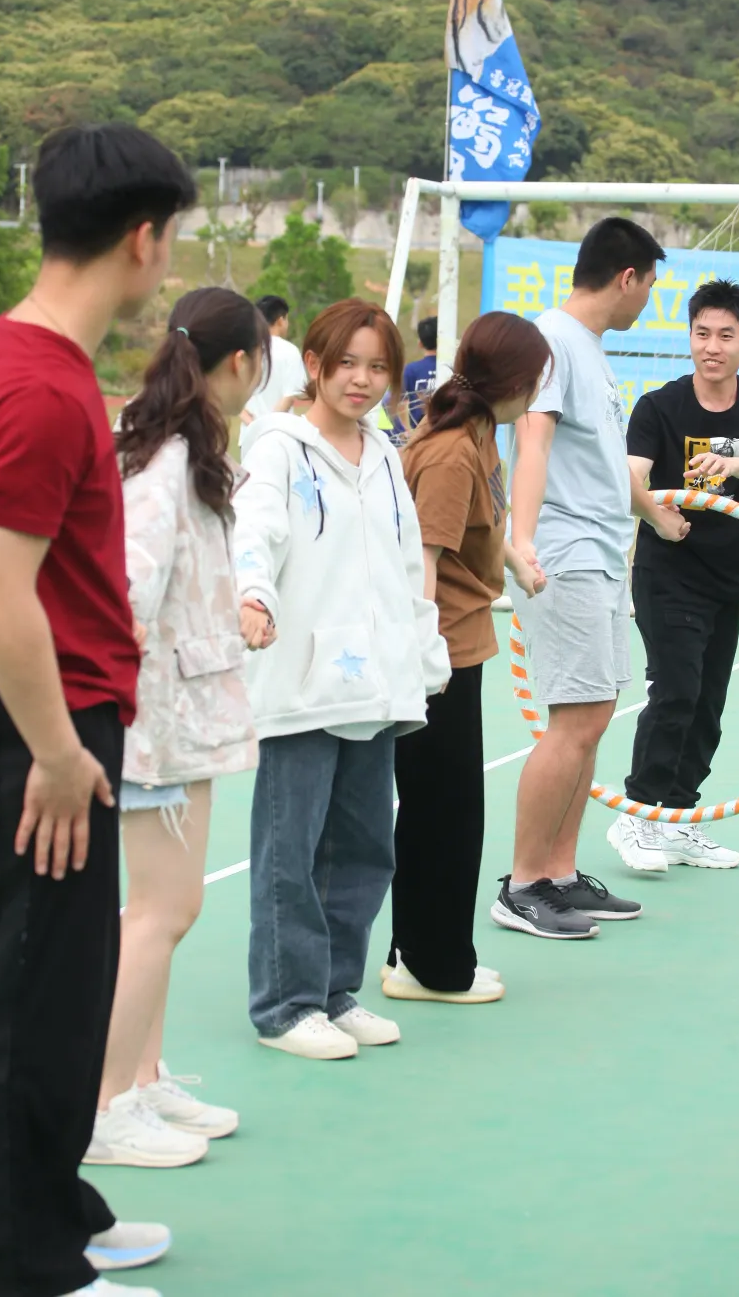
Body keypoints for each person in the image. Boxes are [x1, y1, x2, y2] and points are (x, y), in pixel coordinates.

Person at [0, 124, 197, 1297]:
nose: (167, 260)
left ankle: (56, 1211)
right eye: (169, 239)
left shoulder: (31, 357)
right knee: (20, 996)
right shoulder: (39, 386)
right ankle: (20, 1266)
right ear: (142, 239)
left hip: (54, 726)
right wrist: (51, 752)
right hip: (27, 732)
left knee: (65, 991)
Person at [234, 298, 451, 1060]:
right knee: (291, 853)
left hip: (375, 684)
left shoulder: (385, 454)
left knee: (363, 849)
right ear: (315, 366)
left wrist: (422, 653)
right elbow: (254, 528)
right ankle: (285, 1006)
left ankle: (332, 992)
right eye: (348, 363)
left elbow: (404, 562)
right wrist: (253, 594)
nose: (361, 379)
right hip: (302, 683)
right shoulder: (278, 449)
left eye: (378, 366)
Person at [86, 288, 270, 1170]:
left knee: (164, 909)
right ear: (242, 362)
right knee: (163, 910)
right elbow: (124, 590)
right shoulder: (163, 459)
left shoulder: (180, 444)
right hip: (151, 717)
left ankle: (142, 1078)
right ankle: (102, 1107)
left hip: (182, 712)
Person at [496, 217, 690, 940]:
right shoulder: (551, 341)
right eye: (650, 287)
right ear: (627, 278)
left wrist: (654, 513)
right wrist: (521, 541)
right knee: (573, 720)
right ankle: (522, 886)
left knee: (594, 715)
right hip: (565, 553)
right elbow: (534, 444)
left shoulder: (590, 350)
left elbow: (604, 460)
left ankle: (560, 873)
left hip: (606, 553)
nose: (647, 301)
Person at [383, 311, 551, 1006]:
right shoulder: (454, 451)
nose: (538, 393)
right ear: (512, 383)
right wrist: (425, 664)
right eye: (535, 380)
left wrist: (515, 563)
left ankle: (415, 954)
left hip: (457, 643)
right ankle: (434, 967)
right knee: (445, 815)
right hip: (439, 654)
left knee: (442, 810)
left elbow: (476, 525)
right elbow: (422, 559)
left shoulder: (479, 437)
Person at [615, 278, 739, 872]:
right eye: (701, 334)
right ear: (689, 337)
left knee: (707, 704)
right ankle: (638, 814)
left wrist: (731, 462)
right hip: (667, 571)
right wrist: (658, 517)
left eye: (725, 335)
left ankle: (678, 816)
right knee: (676, 691)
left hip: (727, 573)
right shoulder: (659, 406)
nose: (711, 347)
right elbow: (629, 476)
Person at [241, 294, 306, 423]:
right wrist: (269, 426)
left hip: (249, 432)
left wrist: (253, 424)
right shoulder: (290, 351)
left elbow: (236, 398)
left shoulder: (245, 350)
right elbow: (289, 396)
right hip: (280, 430)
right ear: (281, 321)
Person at [394, 315, 438, 434]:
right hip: (449, 430)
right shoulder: (453, 367)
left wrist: (407, 430)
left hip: (419, 431)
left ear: (420, 343)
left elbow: (401, 403)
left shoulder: (411, 369)